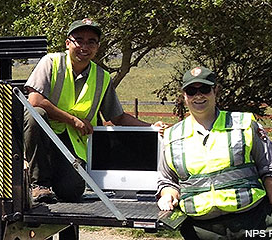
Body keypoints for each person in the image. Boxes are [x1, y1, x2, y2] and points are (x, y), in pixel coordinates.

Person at [24, 18, 166, 203]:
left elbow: (118, 117)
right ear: (68, 43)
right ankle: (38, 184)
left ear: (97, 47)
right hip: (42, 138)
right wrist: (73, 120)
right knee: (36, 115)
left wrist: (151, 127)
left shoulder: (102, 77)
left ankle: (54, 181)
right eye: (79, 40)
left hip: (73, 144)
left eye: (91, 42)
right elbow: (35, 101)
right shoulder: (50, 62)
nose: (85, 46)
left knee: (71, 192)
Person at [157, 66, 272, 239]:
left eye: (204, 89)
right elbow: (168, 181)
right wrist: (168, 195)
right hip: (200, 230)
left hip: (251, 222)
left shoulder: (244, 124)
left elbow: (271, 170)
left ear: (215, 90)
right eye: (191, 91)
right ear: (184, 96)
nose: (198, 95)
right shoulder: (171, 136)